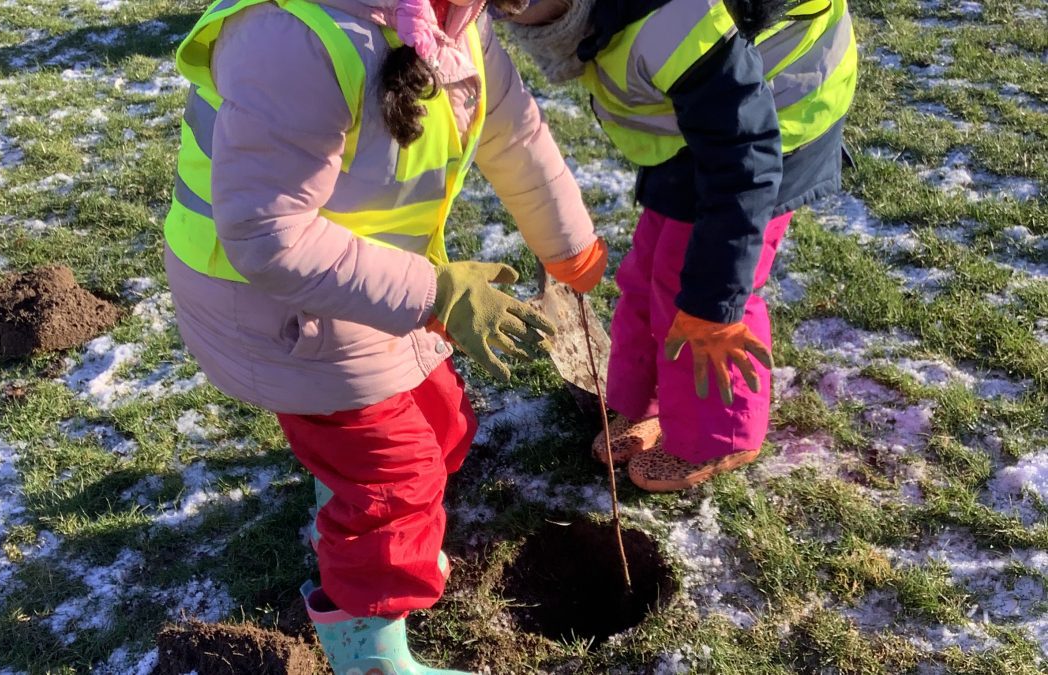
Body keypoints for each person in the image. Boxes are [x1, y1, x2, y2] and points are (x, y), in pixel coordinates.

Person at [161, 0, 607, 670]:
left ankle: (345, 496)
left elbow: (513, 133)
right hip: (269, 305)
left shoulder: (455, 19)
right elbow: (266, 234)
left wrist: (567, 243)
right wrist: (436, 293)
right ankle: (371, 651)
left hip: (368, 281)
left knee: (446, 424)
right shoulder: (292, 40)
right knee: (396, 477)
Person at [501, 0, 857, 491]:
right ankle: (645, 401)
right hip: (698, 130)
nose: (508, 11)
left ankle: (718, 436)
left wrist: (716, 307)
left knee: (700, 286)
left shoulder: (669, 18)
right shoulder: (593, 20)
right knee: (649, 268)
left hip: (775, 117)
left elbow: (743, 160)